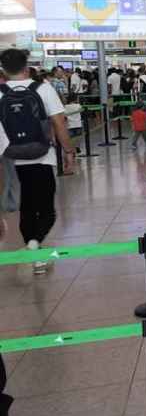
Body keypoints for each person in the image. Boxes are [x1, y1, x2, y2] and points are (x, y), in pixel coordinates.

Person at [0, 48, 75, 274]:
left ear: (3, 69)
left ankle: (36, 254)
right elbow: (59, 123)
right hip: (42, 156)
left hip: (11, 157)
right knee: (47, 210)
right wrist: (69, 151)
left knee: (26, 209)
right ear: (27, 66)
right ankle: (34, 248)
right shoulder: (43, 88)